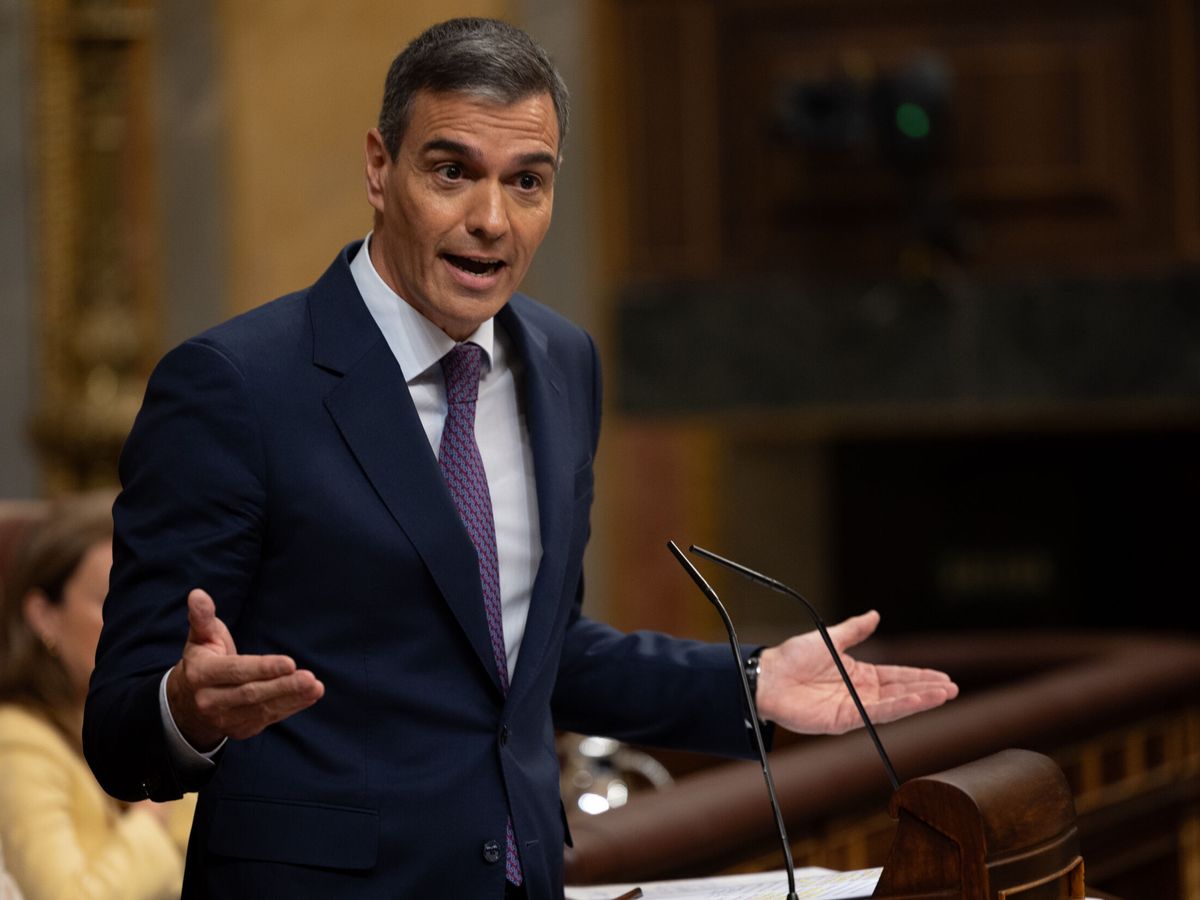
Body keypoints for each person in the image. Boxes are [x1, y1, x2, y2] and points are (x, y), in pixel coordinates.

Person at [83, 17, 958, 900]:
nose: (490, 221)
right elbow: (120, 727)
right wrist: (186, 710)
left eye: (527, 182)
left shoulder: (562, 360)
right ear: (381, 169)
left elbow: (532, 655)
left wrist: (751, 683)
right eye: (452, 171)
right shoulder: (235, 385)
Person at [0, 493, 194, 900]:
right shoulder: (15, 736)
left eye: (142, 605)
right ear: (44, 615)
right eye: (108, 603)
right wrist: (154, 811)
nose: (132, 626)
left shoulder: (154, 724)